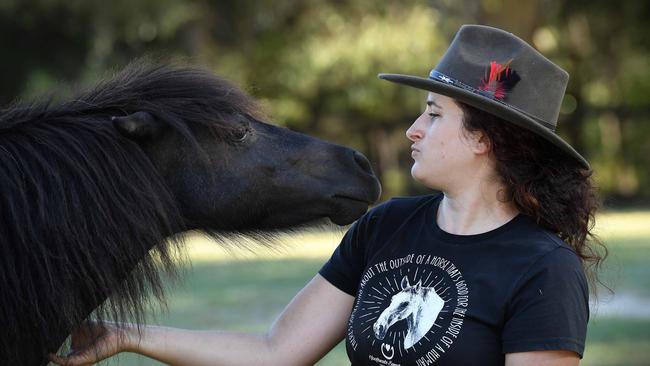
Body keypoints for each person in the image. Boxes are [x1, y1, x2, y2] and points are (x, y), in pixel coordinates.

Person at [50, 24, 604, 366]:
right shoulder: (387, 228)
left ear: (485, 139)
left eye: (433, 116)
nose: (413, 130)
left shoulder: (542, 268)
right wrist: (125, 335)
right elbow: (276, 353)